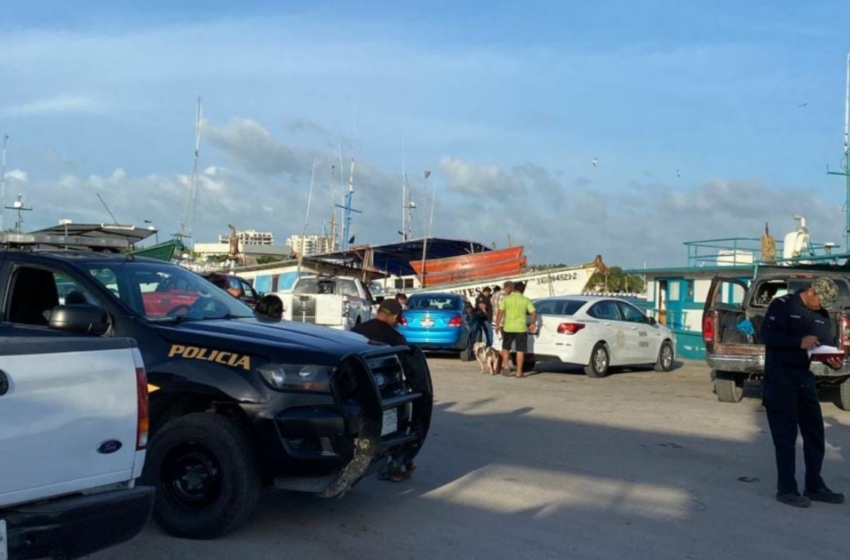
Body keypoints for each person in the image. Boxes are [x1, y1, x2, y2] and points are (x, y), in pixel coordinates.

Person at [761, 277, 845, 508]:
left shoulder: (822, 314)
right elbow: (767, 337)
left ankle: (814, 485)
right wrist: (798, 342)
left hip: (803, 378)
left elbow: (825, 345)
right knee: (786, 436)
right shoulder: (783, 305)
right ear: (811, 291)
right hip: (780, 378)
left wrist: (833, 361)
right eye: (820, 300)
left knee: (815, 433)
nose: (821, 305)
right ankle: (787, 489)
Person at [351, 298, 415, 481]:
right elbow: (407, 365)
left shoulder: (356, 331)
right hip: (386, 392)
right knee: (396, 429)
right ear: (394, 316)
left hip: (357, 392)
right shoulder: (395, 337)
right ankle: (398, 467)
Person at [495, 282, 537, 378]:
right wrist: (533, 323)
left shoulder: (506, 299)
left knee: (506, 347)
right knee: (520, 350)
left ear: (513, 289)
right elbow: (533, 313)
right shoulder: (526, 300)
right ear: (523, 290)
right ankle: (519, 372)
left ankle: (505, 365)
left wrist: (497, 325)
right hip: (521, 328)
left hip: (508, 327)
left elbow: (500, 312)